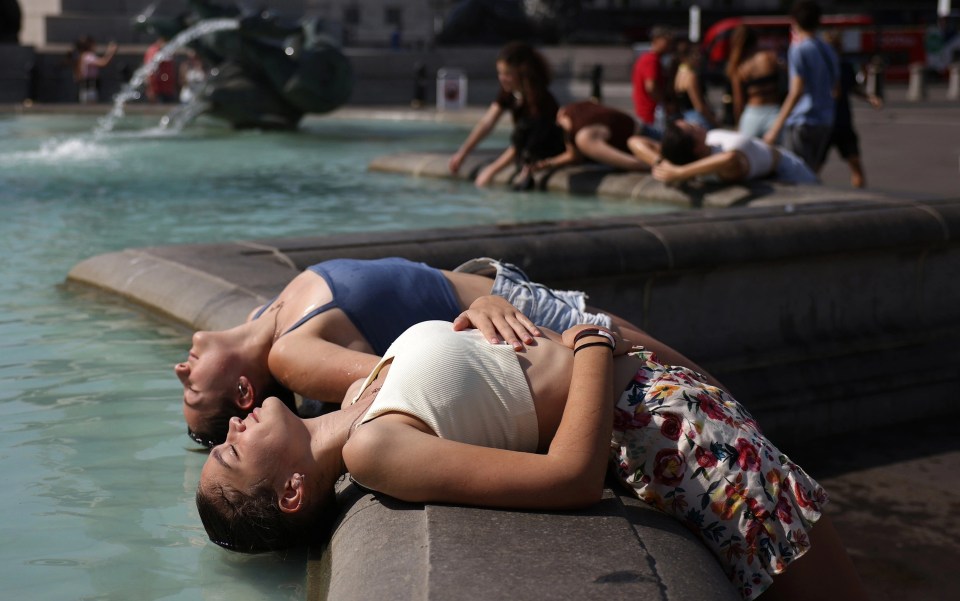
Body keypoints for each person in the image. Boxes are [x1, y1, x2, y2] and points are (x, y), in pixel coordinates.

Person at [195, 318, 869, 601]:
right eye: (231, 448)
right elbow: (570, 478)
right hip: (672, 437)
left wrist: (485, 308)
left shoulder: (356, 392)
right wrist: (593, 344)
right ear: (290, 491)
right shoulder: (371, 448)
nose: (234, 422)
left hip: (671, 403)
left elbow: (476, 370)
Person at [175, 256, 717, 447]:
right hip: (518, 319)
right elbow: (398, 380)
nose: (181, 369)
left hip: (493, 290)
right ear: (246, 391)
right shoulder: (287, 356)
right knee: (698, 384)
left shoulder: (262, 320)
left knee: (699, 386)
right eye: (193, 388)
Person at [448, 41, 564, 188]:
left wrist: (492, 170)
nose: (502, 78)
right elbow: (487, 123)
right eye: (500, 73)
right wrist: (462, 154)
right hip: (526, 149)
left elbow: (525, 143)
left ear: (523, 72)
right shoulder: (510, 91)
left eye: (508, 74)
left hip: (544, 151)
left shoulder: (540, 100)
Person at [763, 0, 839, 172]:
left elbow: (796, 91)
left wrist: (775, 128)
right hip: (825, 119)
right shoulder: (827, 49)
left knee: (794, 172)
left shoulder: (798, 49)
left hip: (803, 120)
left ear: (794, 21)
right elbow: (836, 86)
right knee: (810, 171)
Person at [636, 119, 819, 186]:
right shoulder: (721, 166)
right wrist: (679, 173)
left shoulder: (689, 159)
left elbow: (635, 141)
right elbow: (730, 158)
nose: (697, 123)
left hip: (782, 167)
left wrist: (662, 164)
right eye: (692, 127)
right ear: (696, 147)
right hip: (790, 170)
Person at [818, 30, 883, 189]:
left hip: (841, 123)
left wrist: (870, 98)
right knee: (814, 167)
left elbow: (853, 88)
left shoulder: (844, 67)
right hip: (826, 124)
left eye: (837, 47)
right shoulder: (821, 68)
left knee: (854, 163)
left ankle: (860, 197)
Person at [532, 100, 653, 173]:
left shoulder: (584, 139)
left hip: (646, 141)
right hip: (644, 127)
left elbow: (633, 164)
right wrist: (548, 163)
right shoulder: (565, 112)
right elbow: (573, 155)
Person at [726, 25, 785, 141]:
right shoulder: (769, 57)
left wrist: (738, 123)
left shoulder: (739, 67)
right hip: (774, 112)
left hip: (751, 115)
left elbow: (738, 101)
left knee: (750, 156)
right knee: (775, 155)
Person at [631, 26, 673, 139]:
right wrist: (664, 103)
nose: (669, 45)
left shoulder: (650, 59)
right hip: (651, 112)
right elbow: (651, 86)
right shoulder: (651, 60)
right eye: (666, 41)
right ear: (656, 40)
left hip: (649, 111)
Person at [665, 39, 717, 130]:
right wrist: (713, 121)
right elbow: (699, 106)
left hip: (684, 116)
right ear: (687, 57)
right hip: (696, 118)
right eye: (696, 54)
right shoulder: (691, 76)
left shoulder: (678, 72)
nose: (699, 57)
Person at [73, 36, 117, 104]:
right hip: (89, 88)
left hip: (89, 87)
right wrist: (111, 52)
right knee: (89, 108)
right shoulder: (87, 56)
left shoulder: (83, 56)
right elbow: (103, 63)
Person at [144, 36, 178, 103]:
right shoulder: (154, 50)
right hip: (157, 89)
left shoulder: (168, 51)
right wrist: (150, 89)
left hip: (168, 89)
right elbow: (150, 70)